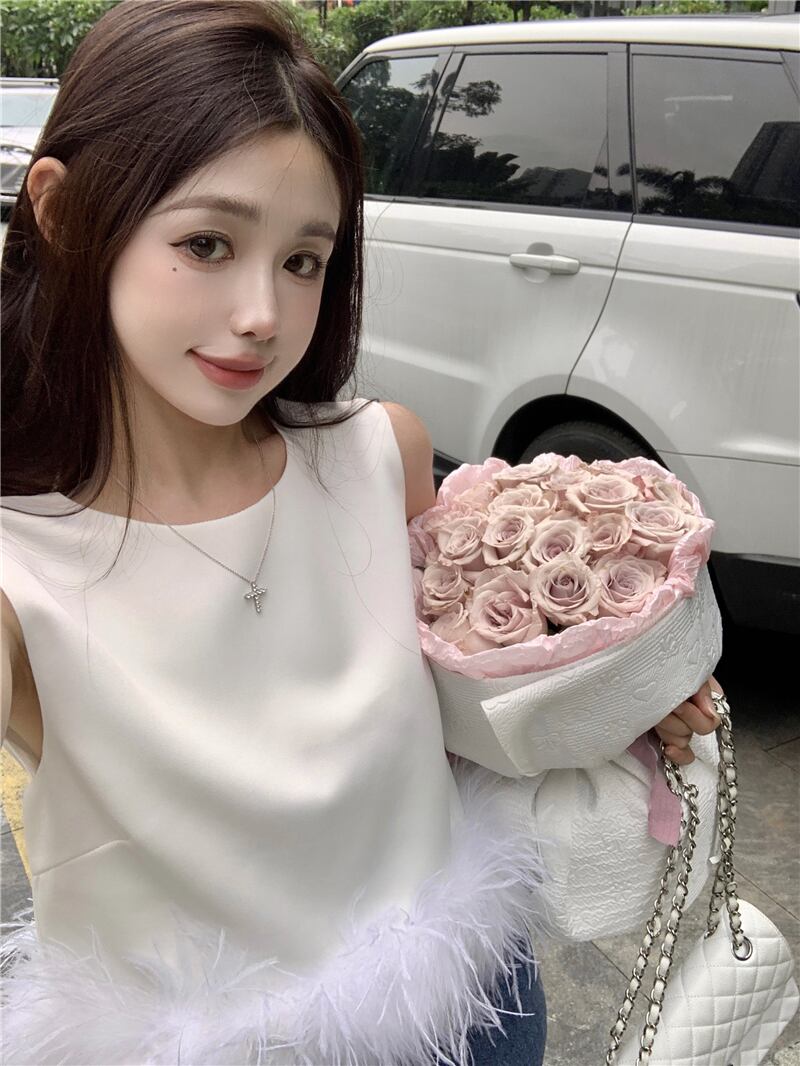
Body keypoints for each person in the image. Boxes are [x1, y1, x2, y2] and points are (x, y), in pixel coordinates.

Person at [0, 2, 723, 1063]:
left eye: (304, 260)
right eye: (207, 243)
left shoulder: (378, 455)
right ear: (64, 212)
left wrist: (616, 695)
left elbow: (460, 701)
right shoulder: (21, 565)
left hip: (469, 1003)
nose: (261, 312)